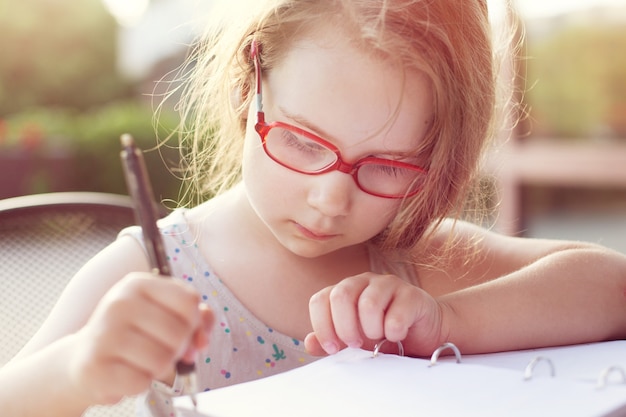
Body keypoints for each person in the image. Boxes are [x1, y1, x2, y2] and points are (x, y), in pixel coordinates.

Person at [2, 0, 626, 416]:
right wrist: (76, 371)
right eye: (302, 142)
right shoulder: (152, 270)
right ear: (251, 91)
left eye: (387, 165)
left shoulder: (407, 263)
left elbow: (610, 286)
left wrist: (448, 321)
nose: (332, 200)